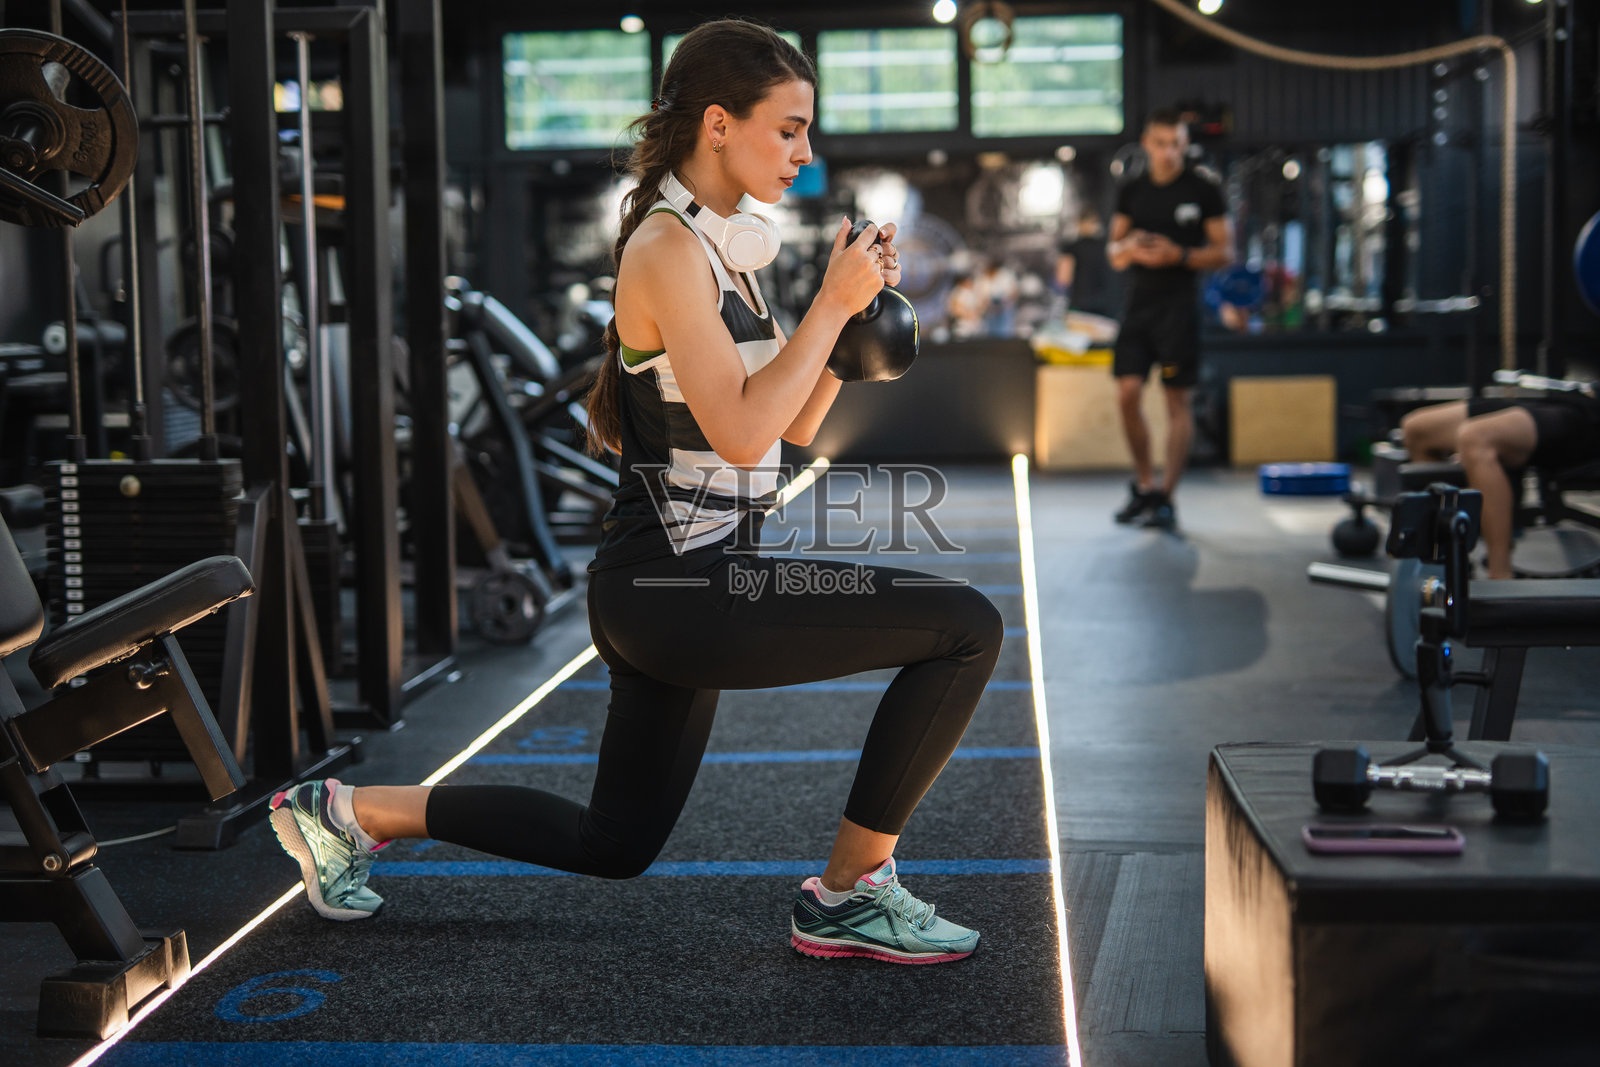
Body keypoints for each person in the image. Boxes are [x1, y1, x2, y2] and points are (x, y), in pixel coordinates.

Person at [268, 19, 1003, 966]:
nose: (804, 152)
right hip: (680, 586)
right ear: (718, 124)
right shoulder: (666, 251)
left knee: (614, 843)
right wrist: (826, 307)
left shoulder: (729, 250)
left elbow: (786, 432)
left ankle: (347, 811)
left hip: (680, 583)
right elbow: (743, 431)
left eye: (806, 130)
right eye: (787, 129)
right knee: (967, 626)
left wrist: (845, 331)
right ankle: (851, 893)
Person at [1107, 109, 1234, 530]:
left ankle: (1166, 496)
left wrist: (1178, 254)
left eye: (1176, 144)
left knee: (1177, 401)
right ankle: (1145, 485)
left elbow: (1225, 253)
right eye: (1161, 143)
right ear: (1147, 143)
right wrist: (1133, 248)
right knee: (1127, 395)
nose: (1168, 152)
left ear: (1185, 144)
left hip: (1179, 308)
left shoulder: (1203, 189)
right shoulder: (1133, 191)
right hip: (1138, 306)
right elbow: (1114, 251)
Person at [1399, 389, 1600, 579]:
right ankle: (1450, 567)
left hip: (1590, 414)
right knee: (1417, 429)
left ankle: (1500, 575)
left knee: (1476, 437)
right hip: (1561, 398)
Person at [1055, 208, 1116, 319]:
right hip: (1108, 307)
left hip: (1079, 306)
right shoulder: (1109, 248)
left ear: (1079, 223)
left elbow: (1063, 279)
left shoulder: (1071, 248)